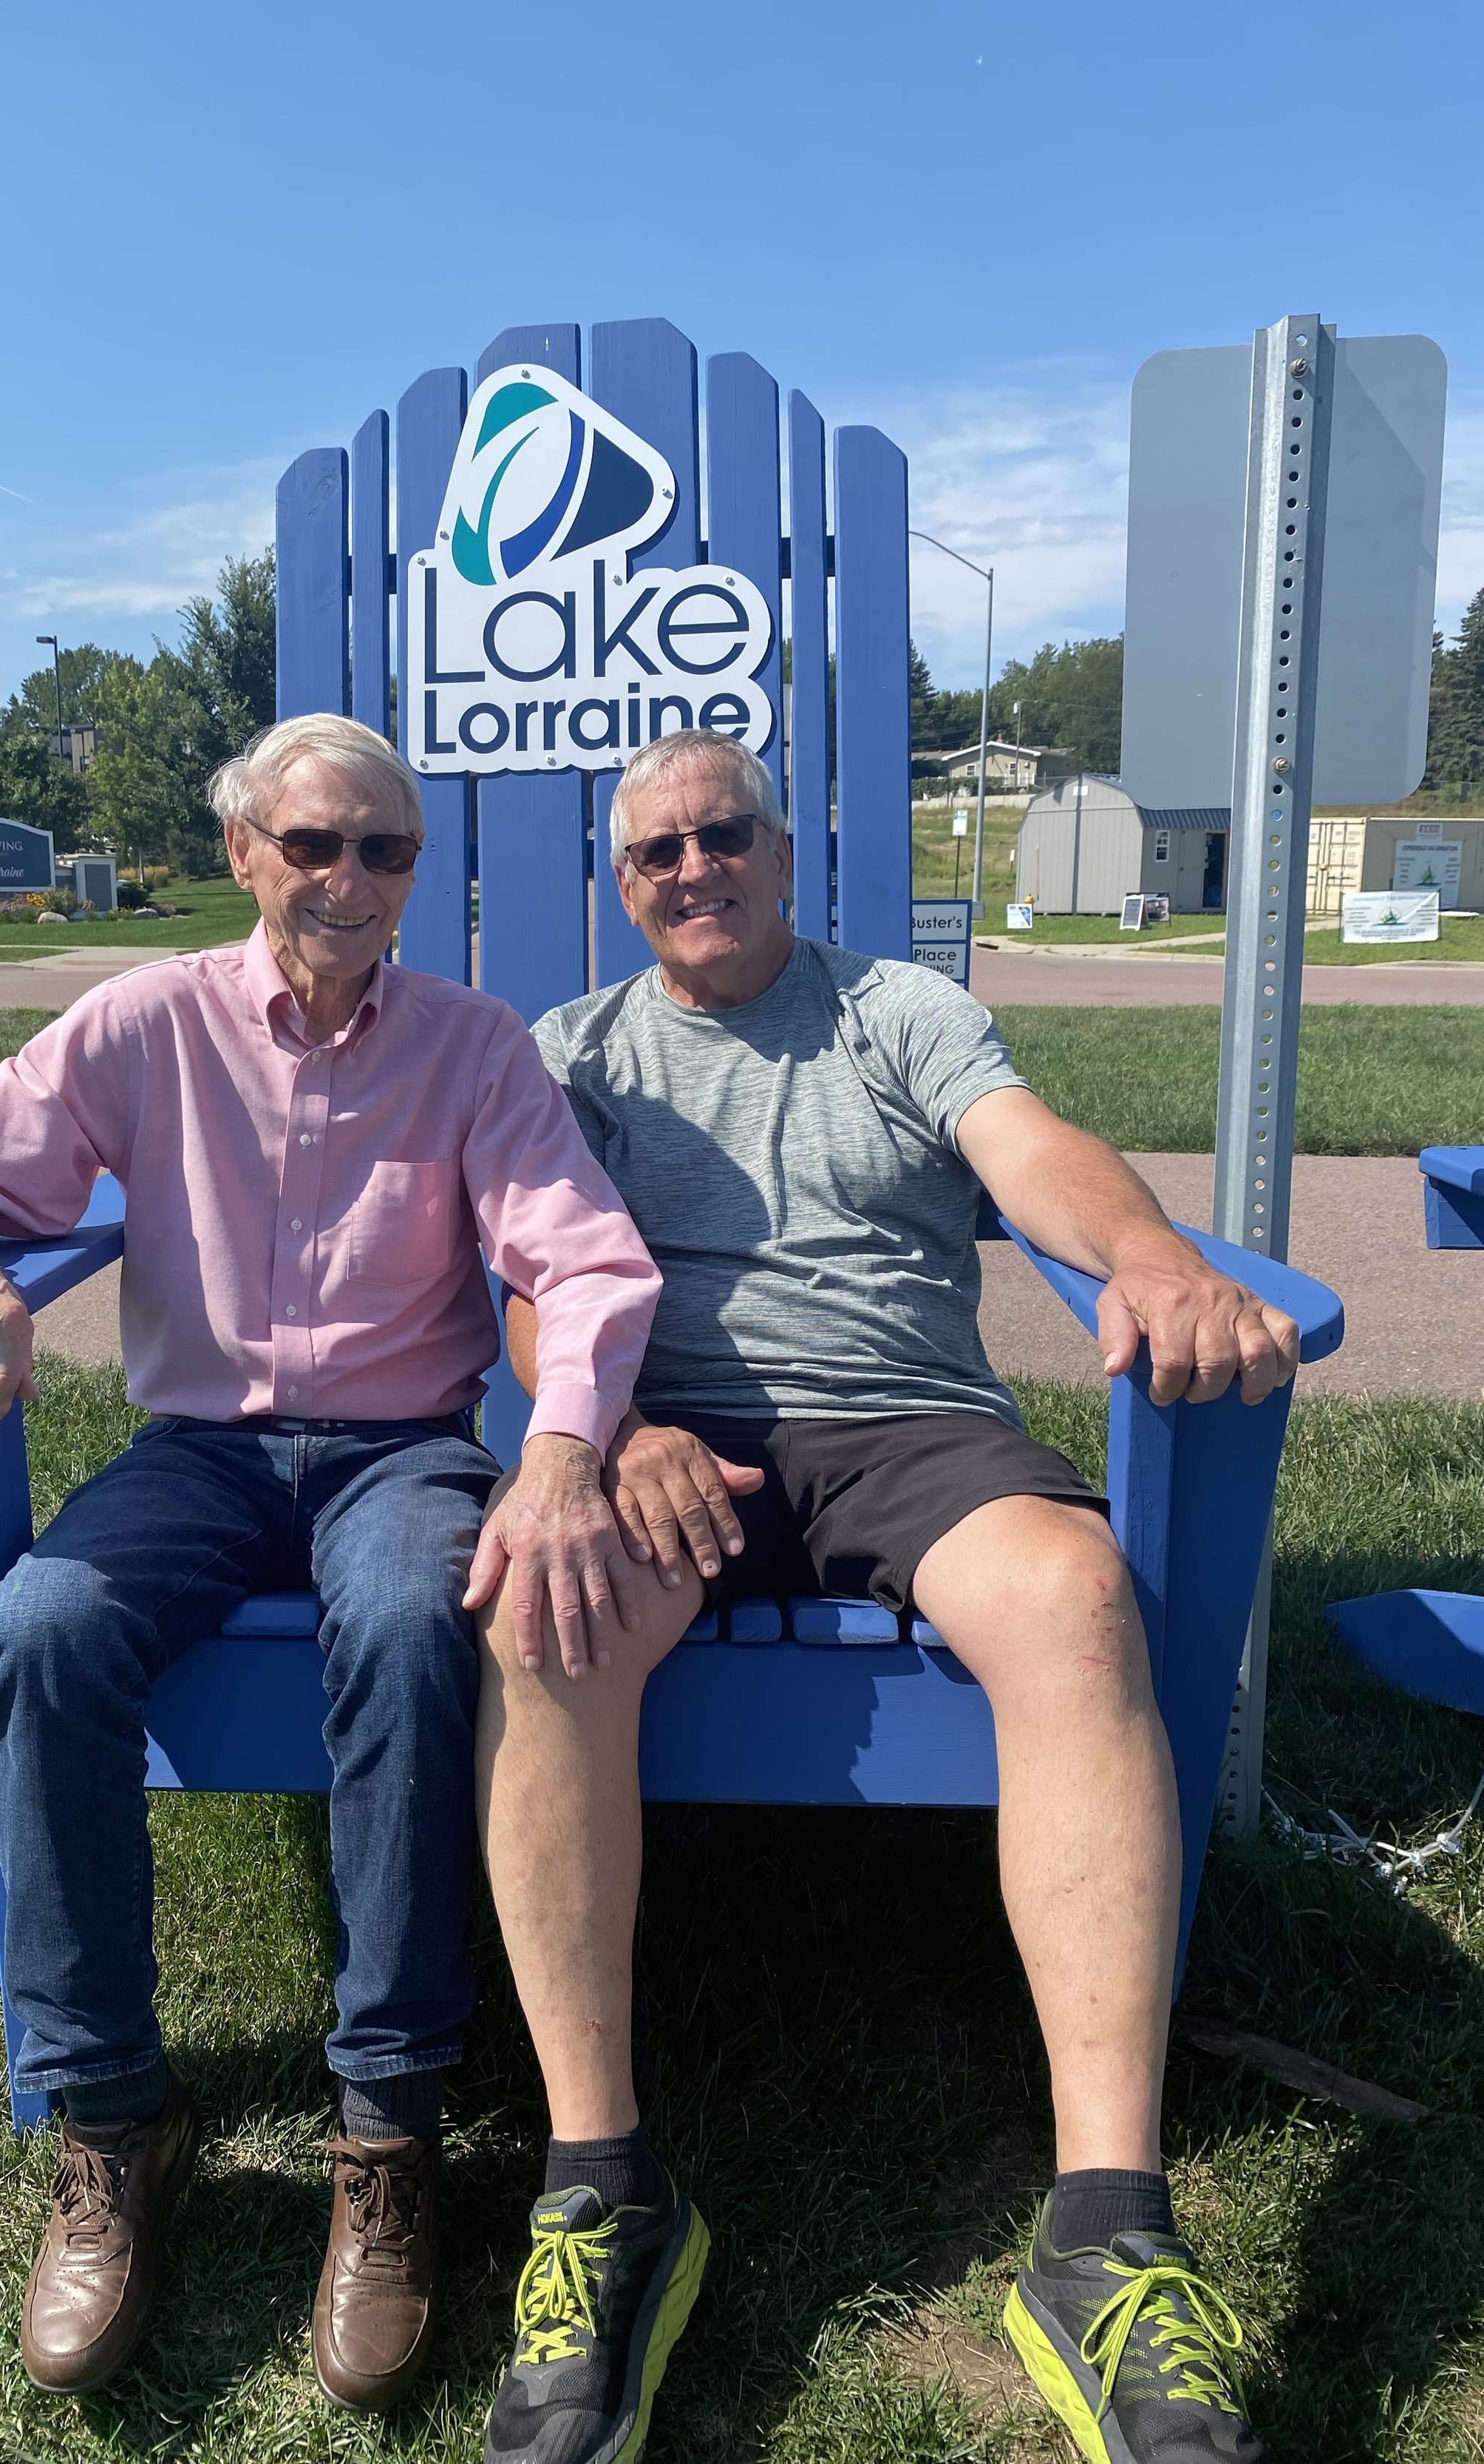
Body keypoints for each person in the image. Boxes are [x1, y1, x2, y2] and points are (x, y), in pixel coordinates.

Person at [471, 728, 1297, 2464]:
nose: (690, 869)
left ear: (780, 851)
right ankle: (601, 2191)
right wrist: (607, 1427)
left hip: (905, 1421)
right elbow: (542, 1278)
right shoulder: (575, 1054)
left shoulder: (891, 1010)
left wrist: (1149, 1255)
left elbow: (1029, 1148)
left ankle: (1105, 2227)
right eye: (653, 855)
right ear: (620, 891)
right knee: (543, 1617)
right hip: (660, 1437)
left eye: (721, 835)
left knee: (1074, 1597)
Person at [0, 714, 661, 2407]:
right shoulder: (143, 1023)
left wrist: (562, 1440)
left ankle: (386, 2129)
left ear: (412, 875)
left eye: (383, 852)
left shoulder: (472, 1046)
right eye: (313, 844)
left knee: (417, 1622)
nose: (346, 880)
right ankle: (108, 2115)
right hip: (198, 1454)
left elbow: (579, 1257)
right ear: (243, 852)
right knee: (44, 1622)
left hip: (398, 1449)